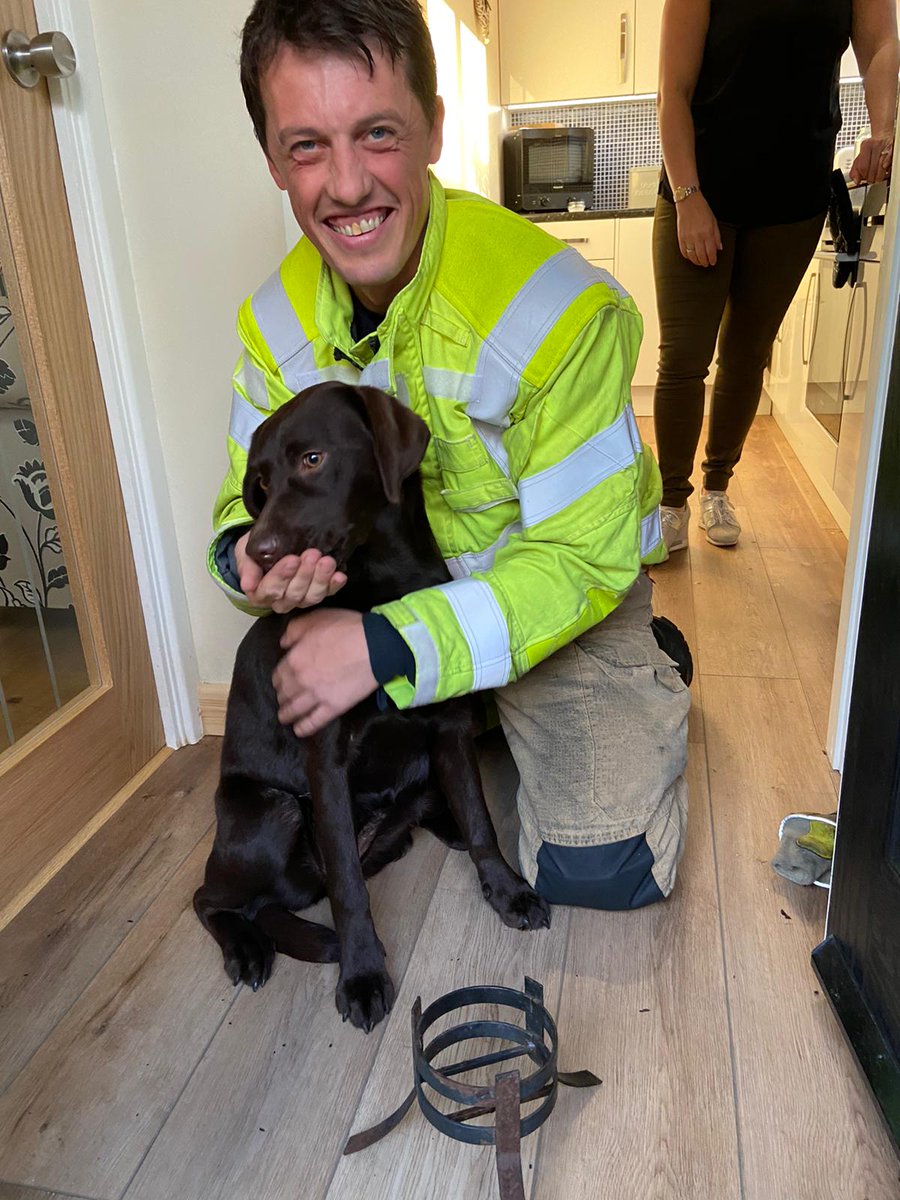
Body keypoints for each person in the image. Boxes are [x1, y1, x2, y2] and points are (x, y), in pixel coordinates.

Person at [208, 0, 691, 911]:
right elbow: (238, 517)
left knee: (603, 870)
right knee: (425, 757)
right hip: (401, 615)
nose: (347, 184)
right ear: (273, 158)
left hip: (557, 605)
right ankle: (477, 719)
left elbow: (581, 559)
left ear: (432, 126)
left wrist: (387, 645)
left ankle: (649, 663)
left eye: (378, 133)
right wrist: (248, 564)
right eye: (307, 146)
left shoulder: (552, 310)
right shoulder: (271, 331)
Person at [654, 0, 899, 553]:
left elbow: (882, 46)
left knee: (747, 354)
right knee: (685, 357)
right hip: (701, 189)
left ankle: (717, 487)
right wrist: (689, 199)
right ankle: (671, 502)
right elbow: (673, 92)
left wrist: (883, 131)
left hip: (794, 198)